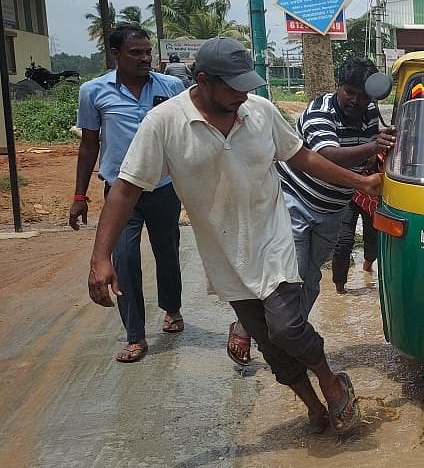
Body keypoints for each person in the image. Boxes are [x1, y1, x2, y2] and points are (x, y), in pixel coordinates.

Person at [87, 37, 377, 434]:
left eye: (247, 85)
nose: (244, 94)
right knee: (270, 344)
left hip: (274, 237)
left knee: (287, 326)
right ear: (204, 80)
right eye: (234, 86)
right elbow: (126, 188)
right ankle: (312, 406)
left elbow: (303, 157)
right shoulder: (164, 122)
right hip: (224, 253)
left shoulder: (259, 111)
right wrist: (101, 257)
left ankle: (328, 378)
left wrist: (361, 183)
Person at [226, 57, 393, 365]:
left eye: (363, 94)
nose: (356, 100)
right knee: (291, 276)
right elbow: (327, 156)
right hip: (295, 203)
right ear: (338, 87)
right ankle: (255, 329)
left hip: (333, 208)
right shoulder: (320, 111)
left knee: (312, 278)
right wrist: (372, 148)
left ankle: (289, 337)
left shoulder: (370, 114)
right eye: (350, 92)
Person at [69, 25, 186, 363]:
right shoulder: (93, 91)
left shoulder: (172, 87)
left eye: (147, 51)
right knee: (124, 258)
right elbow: (89, 144)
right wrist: (80, 196)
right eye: (135, 52)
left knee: (167, 251)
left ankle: (172, 309)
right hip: (120, 193)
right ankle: (135, 335)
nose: (145, 58)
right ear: (116, 55)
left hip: (163, 188)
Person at [332, 157, 381, 294]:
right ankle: (340, 288)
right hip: (349, 194)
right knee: (344, 241)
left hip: (373, 200)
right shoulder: (352, 146)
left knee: (372, 238)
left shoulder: (387, 153)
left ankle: (367, 267)